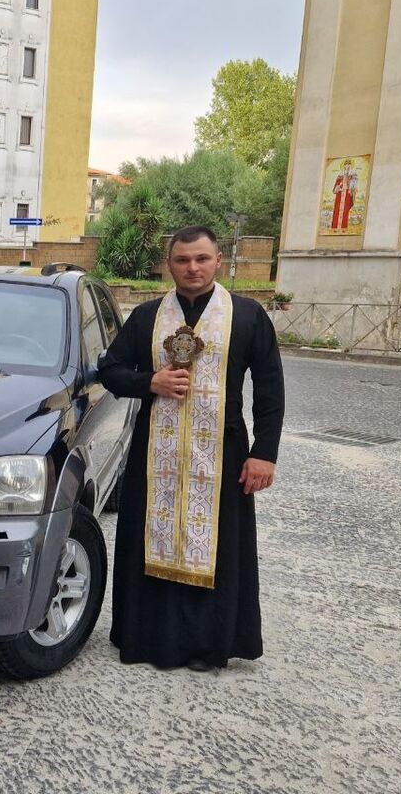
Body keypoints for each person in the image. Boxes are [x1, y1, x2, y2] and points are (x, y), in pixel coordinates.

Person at [98, 225, 284, 671]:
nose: (192, 268)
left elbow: (271, 387)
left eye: (201, 259)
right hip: (154, 453)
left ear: (218, 260)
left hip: (224, 454)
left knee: (218, 545)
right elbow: (109, 370)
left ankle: (208, 645)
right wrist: (151, 382)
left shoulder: (248, 315)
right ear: (170, 265)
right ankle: (147, 639)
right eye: (182, 260)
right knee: (150, 537)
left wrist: (265, 452)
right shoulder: (145, 316)